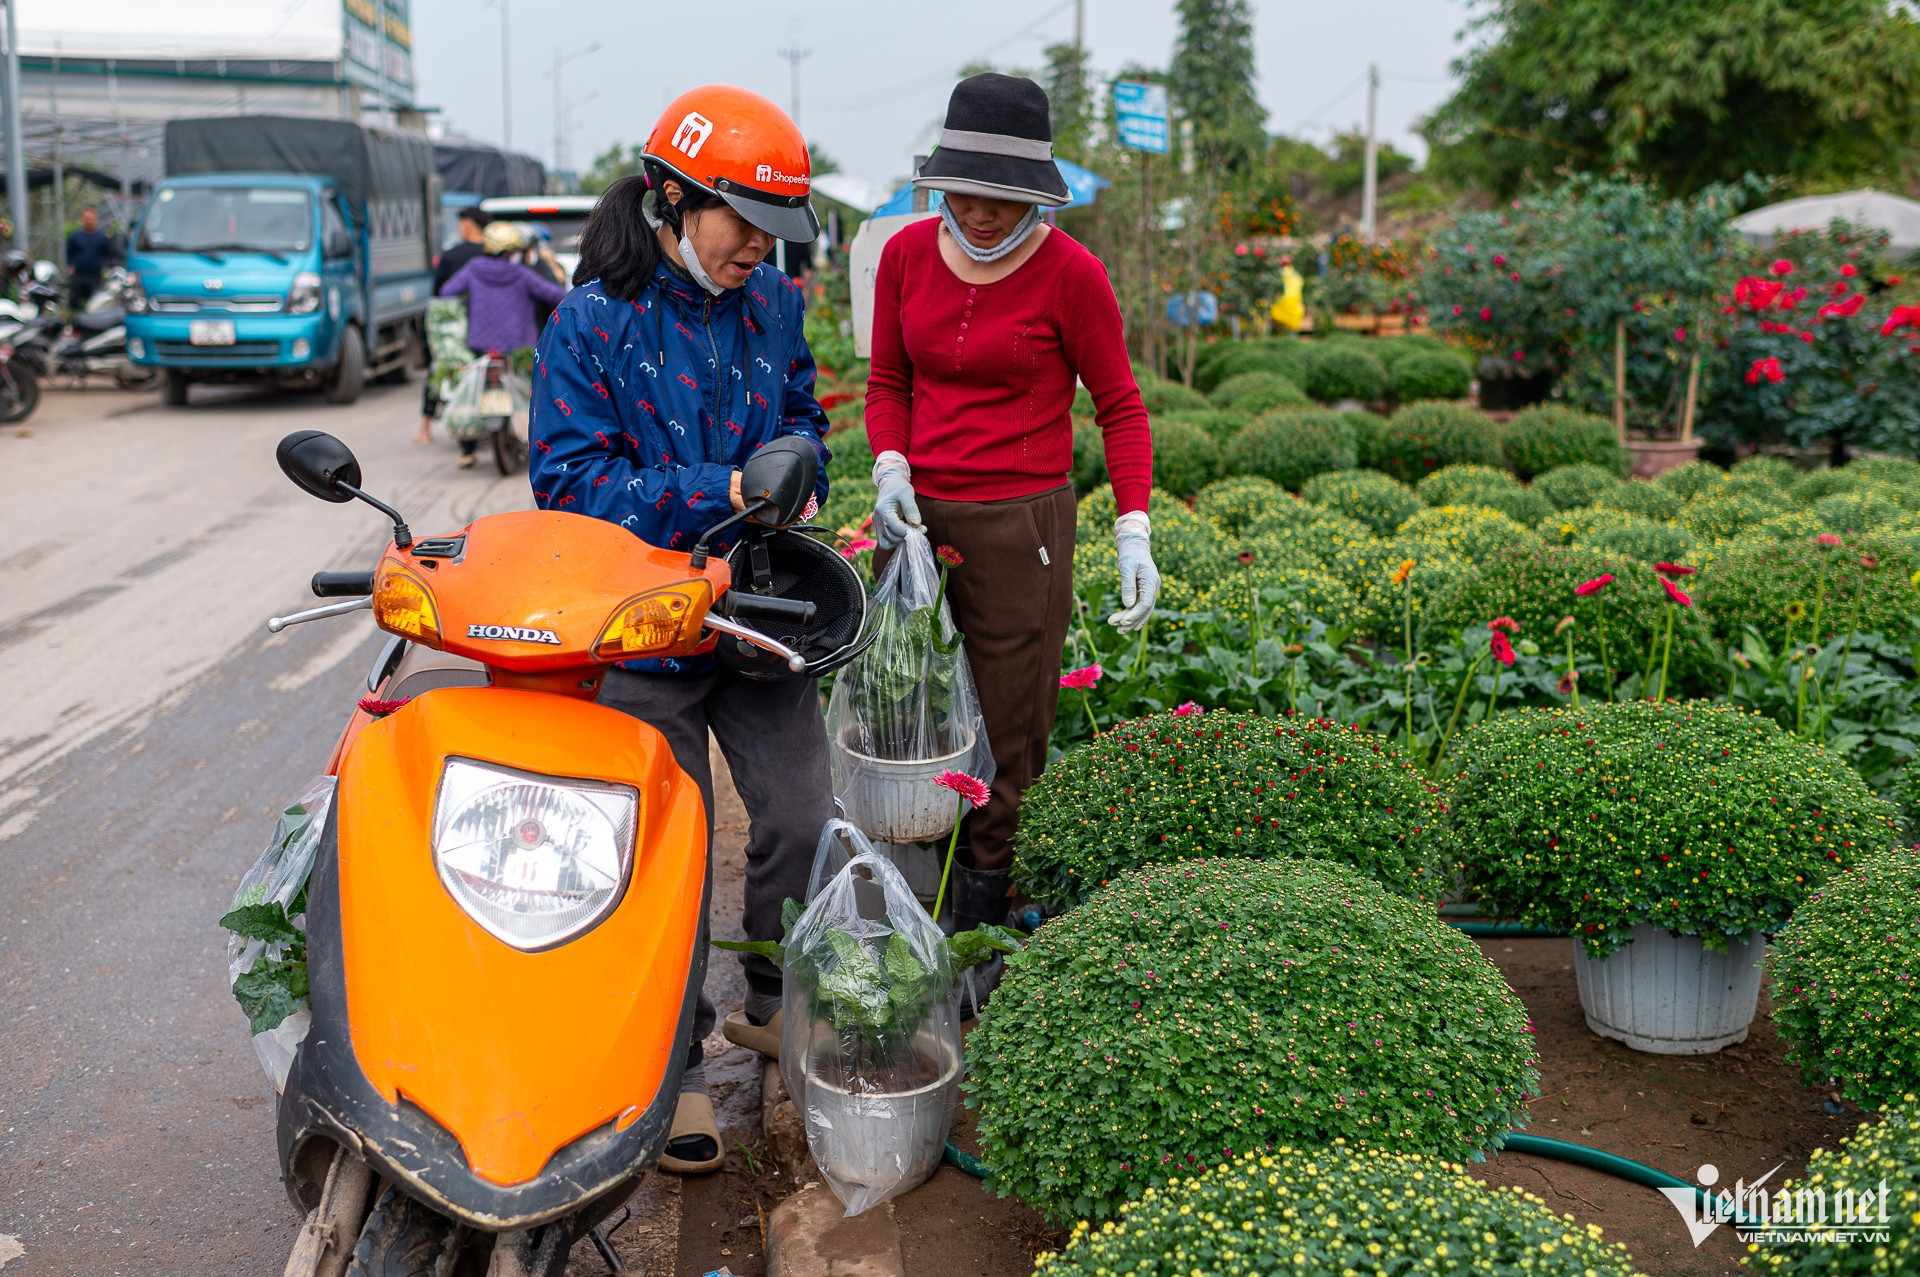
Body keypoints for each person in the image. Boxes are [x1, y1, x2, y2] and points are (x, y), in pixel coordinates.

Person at [528, 84, 831, 1174]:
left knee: (803, 813)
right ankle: (681, 1062)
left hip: (757, 609)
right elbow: (570, 485)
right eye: (741, 220)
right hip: (639, 624)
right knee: (672, 847)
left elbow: (804, 414)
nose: (758, 247)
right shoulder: (591, 320)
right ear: (671, 197)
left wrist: (802, 466)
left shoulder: (775, 304)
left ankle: (775, 1003)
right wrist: (725, 486)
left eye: (773, 228)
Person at [865, 73, 1158, 1003]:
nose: (980, 213)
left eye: (1001, 198)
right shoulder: (907, 255)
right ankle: (899, 900)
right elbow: (889, 383)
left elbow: (1120, 407)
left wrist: (1134, 527)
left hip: (1019, 524)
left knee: (1004, 730)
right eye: (964, 193)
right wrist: (890, 468)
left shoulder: (1071, 273)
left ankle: (977, 933)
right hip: (915, 520)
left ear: (1037, 193)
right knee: (906, 710)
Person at [438, 220, 567, 468]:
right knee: (533, 391)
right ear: (508, 252)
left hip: (480, 345)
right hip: (519, 347)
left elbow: (447, 291)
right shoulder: (521, 273)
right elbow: (555, 295)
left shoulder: (474, 268)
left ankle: (467, 450)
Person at [418, 206, 490, 444]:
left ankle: (425, 428)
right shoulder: (493, 254)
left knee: (439, 368)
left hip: (456, 326)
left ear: (468, 224)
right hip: (487, 325)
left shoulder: (452, 255)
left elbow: (438, 294)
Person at [65, 207, 120, 311]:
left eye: (91, 219)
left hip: (95, 276)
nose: (89, 221)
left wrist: (107, 269)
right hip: (79, 276)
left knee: (94, 303)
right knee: (75, 303)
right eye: (87, 219)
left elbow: (108, 255)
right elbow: (70, 253)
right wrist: (70, 266)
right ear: (82, 220)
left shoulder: (102, 238)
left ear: (96, 220)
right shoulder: (76, 237)